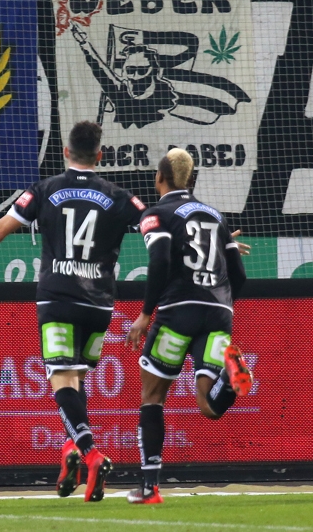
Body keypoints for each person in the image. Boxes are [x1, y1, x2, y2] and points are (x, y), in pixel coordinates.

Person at [0, 121, 148, 502]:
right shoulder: (120, 196)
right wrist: (214, 236)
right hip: (99, 304)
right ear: (100, 156)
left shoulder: (45, 190)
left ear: (66, 152)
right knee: (76, 379)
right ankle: (72, 449)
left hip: (58, 298)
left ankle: (90, 454)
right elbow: (160, 229)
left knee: (62, 380)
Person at [124, 148, 253, 505]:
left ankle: (149, 488)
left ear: (159, 178)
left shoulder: (157, 213)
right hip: (218, 312)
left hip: (178, 311)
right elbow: (238, 274)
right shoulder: (215, 216)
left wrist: (147, 313)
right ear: (191, 180)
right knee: (208, 406)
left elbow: (161, 258)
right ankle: (230, 377)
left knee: (152, 397)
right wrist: (223, 306)